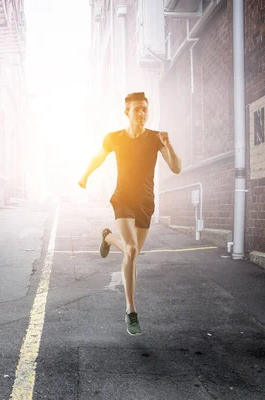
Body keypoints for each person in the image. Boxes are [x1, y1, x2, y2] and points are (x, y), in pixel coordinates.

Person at [78, 92, 181, 335]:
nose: (142, 113)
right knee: (132, 250)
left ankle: (107, 238)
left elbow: (176, 168)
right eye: (137, 109)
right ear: (127, 112)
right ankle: (131, 311)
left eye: (145, 109)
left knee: (132, 253)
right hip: (123, 199)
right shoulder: (114, 138)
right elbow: (98, 157)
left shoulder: (157, 138)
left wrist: (169, 144)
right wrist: (85, 176)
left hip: (146, 202)